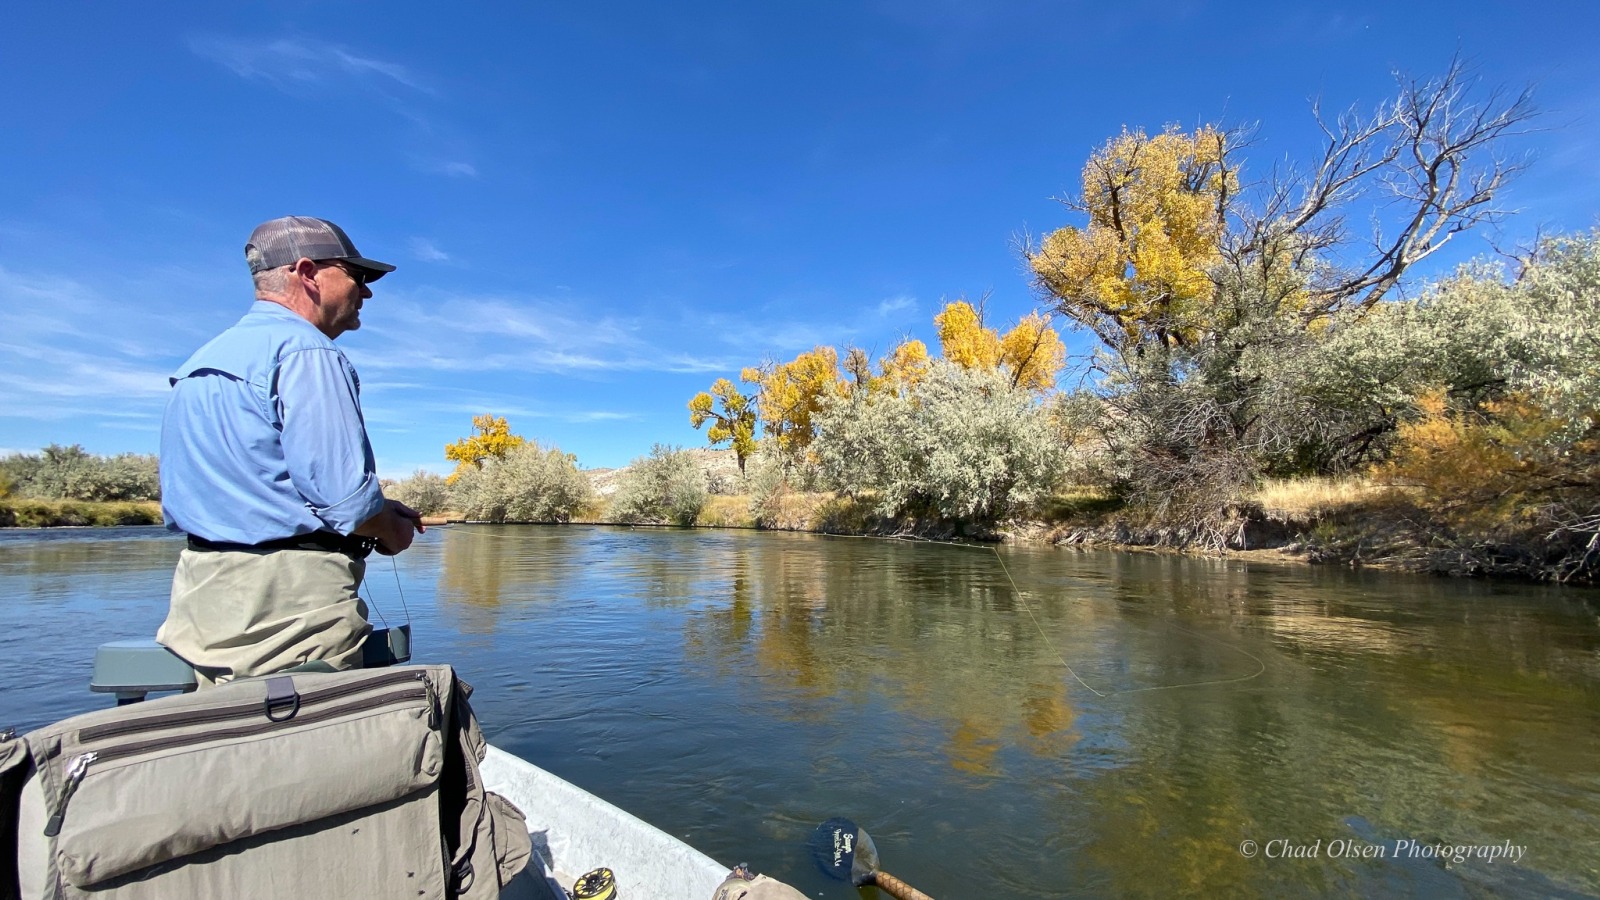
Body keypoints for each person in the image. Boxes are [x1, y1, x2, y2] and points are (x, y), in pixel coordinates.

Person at [157, 215, 423, 686]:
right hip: (291, 609)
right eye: (358, 277)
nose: (367, 292)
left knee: (229, 743)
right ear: (307, 273)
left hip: (201, 598)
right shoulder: (308, 353)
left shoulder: (197, 366)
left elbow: (246, 488)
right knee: (309, 746)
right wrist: (389, 528)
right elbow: (348, 502)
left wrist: (378, 510)